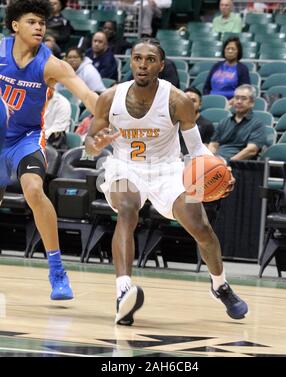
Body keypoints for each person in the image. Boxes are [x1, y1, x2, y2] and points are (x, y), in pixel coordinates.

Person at [85, 38, 248, 326]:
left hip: (169, 170)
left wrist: (221, 169)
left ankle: (219, 285)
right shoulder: (110, 98)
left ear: (161, 65)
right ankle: (123, 292)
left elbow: (197, 151)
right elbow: (89, 146)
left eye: (150, 60)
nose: (143, 64)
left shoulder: (178, 100)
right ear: (130, 62)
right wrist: (96, 145)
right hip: (123, 167)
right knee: (126, 208)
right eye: (137, 58)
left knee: (200, 224)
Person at [0, 0, 98, 301]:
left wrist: (113, 117)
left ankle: (57, 270)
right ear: (15, 25)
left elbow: (88, 95)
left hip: (26, 139)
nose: (39, 27)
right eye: (32, 21)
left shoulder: (52, 64)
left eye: (42, 22)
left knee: (33, 189)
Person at [208, 84, 266, 161]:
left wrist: (228, 162)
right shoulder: (224, 122)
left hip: (238, 165)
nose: (239, 101)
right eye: (236, 98)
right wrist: (211, 159)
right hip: (217, 162)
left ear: (252, 103)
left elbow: (251, 150)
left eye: (243, 99)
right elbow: (213, 145)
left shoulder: (257, 124)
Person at [203, 37, 250, 101]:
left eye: (233, 49)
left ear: (238, 52)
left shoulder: (242, 69)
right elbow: (206, 87)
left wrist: (233, 101)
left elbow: (244, 91)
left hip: (231, 103)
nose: (230, 51)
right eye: (227, 48)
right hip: (211, 100)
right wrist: (207, 99)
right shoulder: (216, 66)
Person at [180, 87, 215, 154]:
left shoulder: (207, 125)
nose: (189, 103)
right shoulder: (174, 122)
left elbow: (204, 151)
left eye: (193, 101)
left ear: (200, 105)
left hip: (196, 161)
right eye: (185, 100)